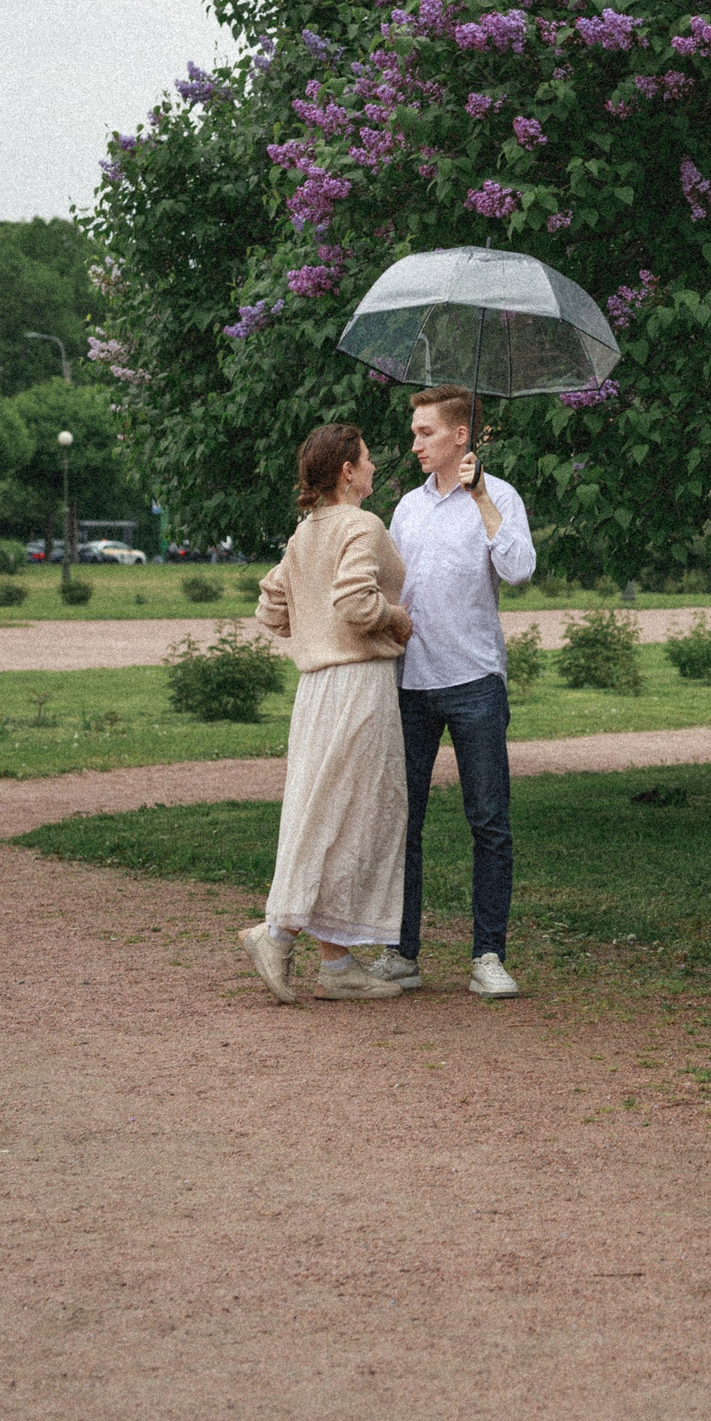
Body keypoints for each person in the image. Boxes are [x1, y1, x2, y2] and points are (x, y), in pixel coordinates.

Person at [359, 385, 535, 999]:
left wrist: (481, 493)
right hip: (412, 684)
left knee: (489, 822)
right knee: (403, 822)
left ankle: (488, 954)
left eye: (426, 432)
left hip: (477, 685)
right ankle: (402, 953)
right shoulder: (406, 507)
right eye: (415, 433)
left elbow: (518, 570)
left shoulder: (500, 496)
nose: (415, 443)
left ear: (461, 435)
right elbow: (391, 591)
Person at [238, 423, 416, 1004]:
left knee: (324, 810)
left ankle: (336, 966)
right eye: (366, 460)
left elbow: (270, 605)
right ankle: (278, 929)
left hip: (315, 690)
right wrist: (395, 618)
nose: (372, 468)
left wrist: (309, 632)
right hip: (358, 685)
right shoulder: (362, 524)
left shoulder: (305, 532)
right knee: (349, 815)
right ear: (347, 471)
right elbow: (356, 601)